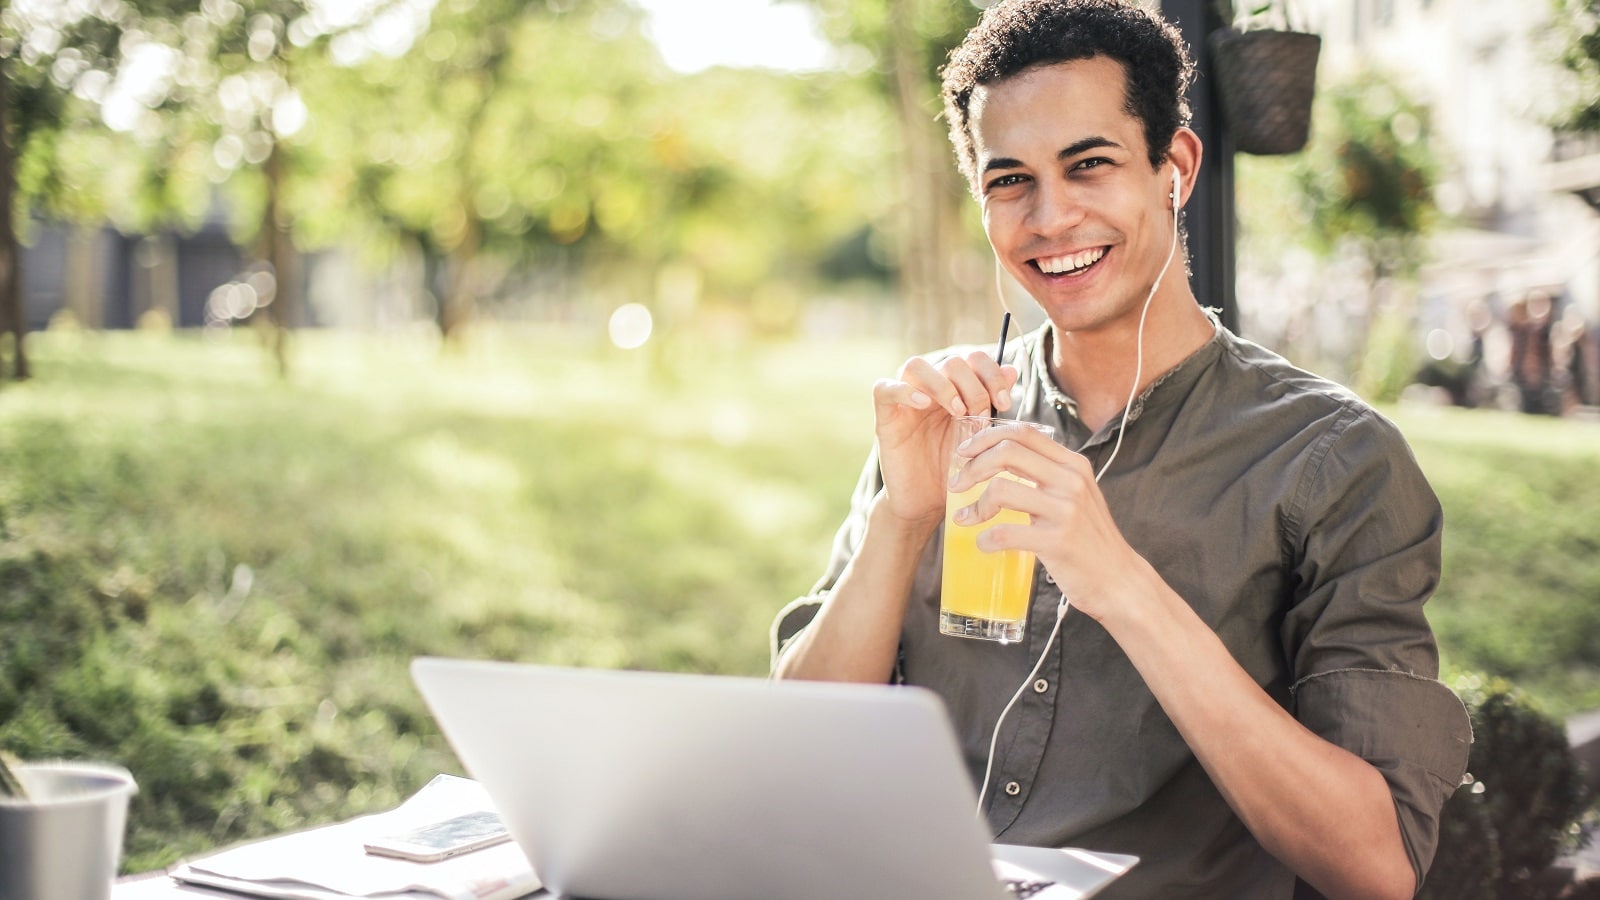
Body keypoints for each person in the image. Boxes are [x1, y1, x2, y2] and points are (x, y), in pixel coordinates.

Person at [769, 2, 1471, 898]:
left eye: (1088, 165)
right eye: (1009, 180)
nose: (1050, 217)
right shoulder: (948, 421)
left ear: (1173, 167)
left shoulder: (1333, 460)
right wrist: (900, 521)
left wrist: (1121, 582)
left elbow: (1375, 866)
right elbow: (794, 757)